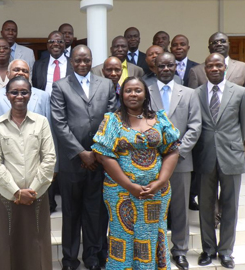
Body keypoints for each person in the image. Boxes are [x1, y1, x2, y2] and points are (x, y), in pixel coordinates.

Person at [92, 76, 180, 269]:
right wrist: (130, 186)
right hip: (120, 192)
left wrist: (160, 182)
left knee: (153, 234)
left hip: (156, 193)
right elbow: (106, 157)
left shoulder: (159, 119)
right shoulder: (112, 121)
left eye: (137, 90)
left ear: (145, 94)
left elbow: (172, 150)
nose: (133, 94)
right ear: (121, 95)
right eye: (128, 90)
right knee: (122, 235)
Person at [51, 45, 117, 270]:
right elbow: (59, 123)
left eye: (86, 60)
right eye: (78, 60)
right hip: (72, 161)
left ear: (91, 60)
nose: (82, 64)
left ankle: (92, 257)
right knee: (70, 213)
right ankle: (69, 259)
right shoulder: (60, 86)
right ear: (71, 62)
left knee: (95, 213)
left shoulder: (106, 85)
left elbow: (110, 120)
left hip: (99, 161)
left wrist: (96, 152)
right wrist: (81, 153)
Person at [0, 75, 56, 270]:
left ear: (30, 95)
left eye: (24, 92)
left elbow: (49, 158)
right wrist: (16, 192)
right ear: (7, 95)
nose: (19, 96)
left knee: (38, 242)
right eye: (14, 92)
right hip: (8, 196)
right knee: (9, 244)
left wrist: (32, 191)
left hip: (38, 195)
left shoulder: (41, 122)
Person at [195, 53, 245, 269]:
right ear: (205, 69)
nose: (214, 69)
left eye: (218, 65)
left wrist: (234, 145)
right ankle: (208, 250)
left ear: (224, 68)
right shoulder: (196, 94)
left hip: (231, 157)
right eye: (210, 66)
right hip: (205, 157)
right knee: (206, 207)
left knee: (230, 206)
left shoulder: (240, 92)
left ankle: (227, 252)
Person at [149, 52, 202, 270]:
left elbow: (195, 125)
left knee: (180, 207)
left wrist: (178, 151)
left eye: (170, 65)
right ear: (155, 67)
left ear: (175, 67)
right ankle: (153, 250)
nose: (165, 69)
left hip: (180, 160)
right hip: (151, 161)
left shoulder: (189, 93)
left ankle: (179, 250)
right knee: (153, 207)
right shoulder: (145, 90)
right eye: (161, 66)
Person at [0, 59, 50, 139]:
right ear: (8, 74)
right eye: (16, 70)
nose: (21, 73)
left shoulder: (43, 96)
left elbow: (48, 131)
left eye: (25, 71)